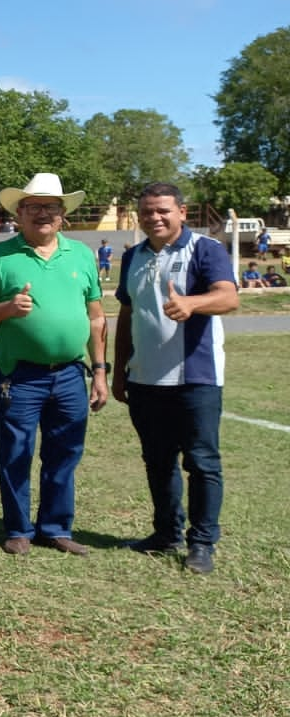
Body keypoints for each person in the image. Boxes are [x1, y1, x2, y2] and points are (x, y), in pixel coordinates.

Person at [0, 173, 108, 555]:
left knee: (65, 452)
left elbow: (96, 317)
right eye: (34, 207)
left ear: (63, 214)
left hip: (70, 374)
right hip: (21, 375)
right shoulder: (1, 256)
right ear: (20, 213)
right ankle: (18, 529)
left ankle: (55, 527)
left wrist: (99, 371)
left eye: (51, 207)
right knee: (16, 451)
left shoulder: (81, 254)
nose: (43, 214)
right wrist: (8, 308)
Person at [113, 182, 239, 575]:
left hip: (196, 379)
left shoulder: (205, 249)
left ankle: (202, 542)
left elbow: (229, 297)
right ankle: (166, 533)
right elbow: (127, 315)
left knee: (202, 463)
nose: (155, 217)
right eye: (147, 211)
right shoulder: (133, 255)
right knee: (158, 462)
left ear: (182, 212)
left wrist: (191, 303)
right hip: (146, 380)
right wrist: (120, 371)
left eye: (163, 210)